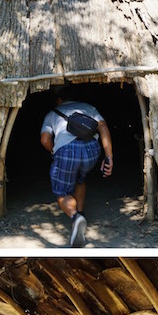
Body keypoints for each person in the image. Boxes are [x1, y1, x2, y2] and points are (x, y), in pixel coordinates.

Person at [40, 88, 114, 248]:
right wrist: (109, 157)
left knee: (61, 192)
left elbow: (45, 139)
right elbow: (103, 127)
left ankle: (75, 217)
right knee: (81, 177)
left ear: (59, 99)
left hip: (67, 151)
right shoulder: (88, 108)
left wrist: (54, 151)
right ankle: (80, 212)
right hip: (92, 150)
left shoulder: (53, 112)